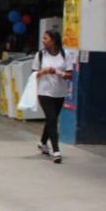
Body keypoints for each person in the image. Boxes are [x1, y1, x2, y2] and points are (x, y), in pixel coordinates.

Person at [32, 29, 74, 164]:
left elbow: (69, 75)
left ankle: (43, 142)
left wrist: (57, 72)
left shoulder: (65, 54)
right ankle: (56, 151)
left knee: (52, 119)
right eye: (43, 39)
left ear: (54, 41)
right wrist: (43, 71)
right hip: (44, 92)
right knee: (52, 119)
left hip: (59, 92)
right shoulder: (40, 55)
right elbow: (33, 74)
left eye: (46, 39)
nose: (43, 41)